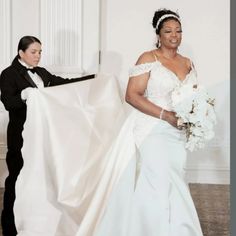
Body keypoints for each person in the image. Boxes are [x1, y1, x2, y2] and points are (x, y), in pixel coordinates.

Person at [94, 8, 204, 236]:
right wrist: (166, 115)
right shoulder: (148, 59)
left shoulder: (188, 63)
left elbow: (194, 96)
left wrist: (197, 115)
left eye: (178, 30)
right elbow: (132, 95)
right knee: (158, 180)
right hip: (152, 128)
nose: (174, 35)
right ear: (159, 35)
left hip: (178, 132)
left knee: (176, 180)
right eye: (168, 31)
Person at [0, 35, 95, 236]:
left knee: (42, 179)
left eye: (40, 52)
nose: (38, 56)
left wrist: (92, 79)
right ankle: (9, 227)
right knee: (16, 179)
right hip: (22, 137)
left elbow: (63, 84)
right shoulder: (8, 74)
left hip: (44, 135)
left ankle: (37, 222)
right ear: (21, 53)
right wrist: (24, 96)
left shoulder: (42, 72)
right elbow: (9, 102)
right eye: (34, 52)